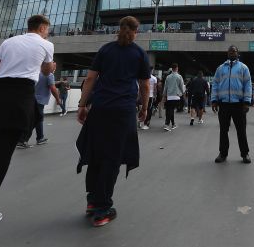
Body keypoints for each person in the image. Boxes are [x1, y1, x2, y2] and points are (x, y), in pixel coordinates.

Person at [0, 15, 54, 230]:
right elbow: (45, 71)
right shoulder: (47, 45)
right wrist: (51, 67)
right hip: (21, 97)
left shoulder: (8, 42)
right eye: (47, 29)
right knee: (3, 154)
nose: (47, 33)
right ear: (43, 27)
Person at [76, 16, 150, 227]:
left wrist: (82, 105)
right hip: (122, 111)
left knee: (96, 152)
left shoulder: (105, 50)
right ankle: (102, 208)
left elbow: (90, 79)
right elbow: (145, 86)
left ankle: (92, 200)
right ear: (136, 31)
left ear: (119, 29)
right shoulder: (139, 54)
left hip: (100, 108)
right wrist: (144, 108)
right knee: (113, 157)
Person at [211, 45, 252, 164]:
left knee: (241, 130)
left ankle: (245, 154)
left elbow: (247, 85)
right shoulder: (220, 68)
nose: (232, 53)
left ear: (238, 54)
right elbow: (215, 84)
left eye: (234, 51)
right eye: (230, 51)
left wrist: (246, 101)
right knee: (223, 130)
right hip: (223, 104)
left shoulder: (243, 68)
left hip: (239, 104)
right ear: (227, 54)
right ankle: (222, 154)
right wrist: (214, 100)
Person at [18, 62, 61, 148]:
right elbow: (52, 88)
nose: (54, 68)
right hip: (40, 100)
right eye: (54, 66)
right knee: (35, 119)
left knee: (37, 118)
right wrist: (57, 99)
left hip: (31, 98)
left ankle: (39, 137)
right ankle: (23, 140)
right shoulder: (49, 75)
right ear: (48, 66)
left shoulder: (36, 73)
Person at [162, 63, 184, 131]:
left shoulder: (168, 77)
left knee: (170, 109)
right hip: (176, 96)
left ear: (172, 68)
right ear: (177, 68)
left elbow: (165, 87)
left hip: (169, 96)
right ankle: (167, 124)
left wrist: (164, 95)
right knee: (171, 110)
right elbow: (181, 86)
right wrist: (183, 93)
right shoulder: (179, 76)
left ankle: (172, 124)